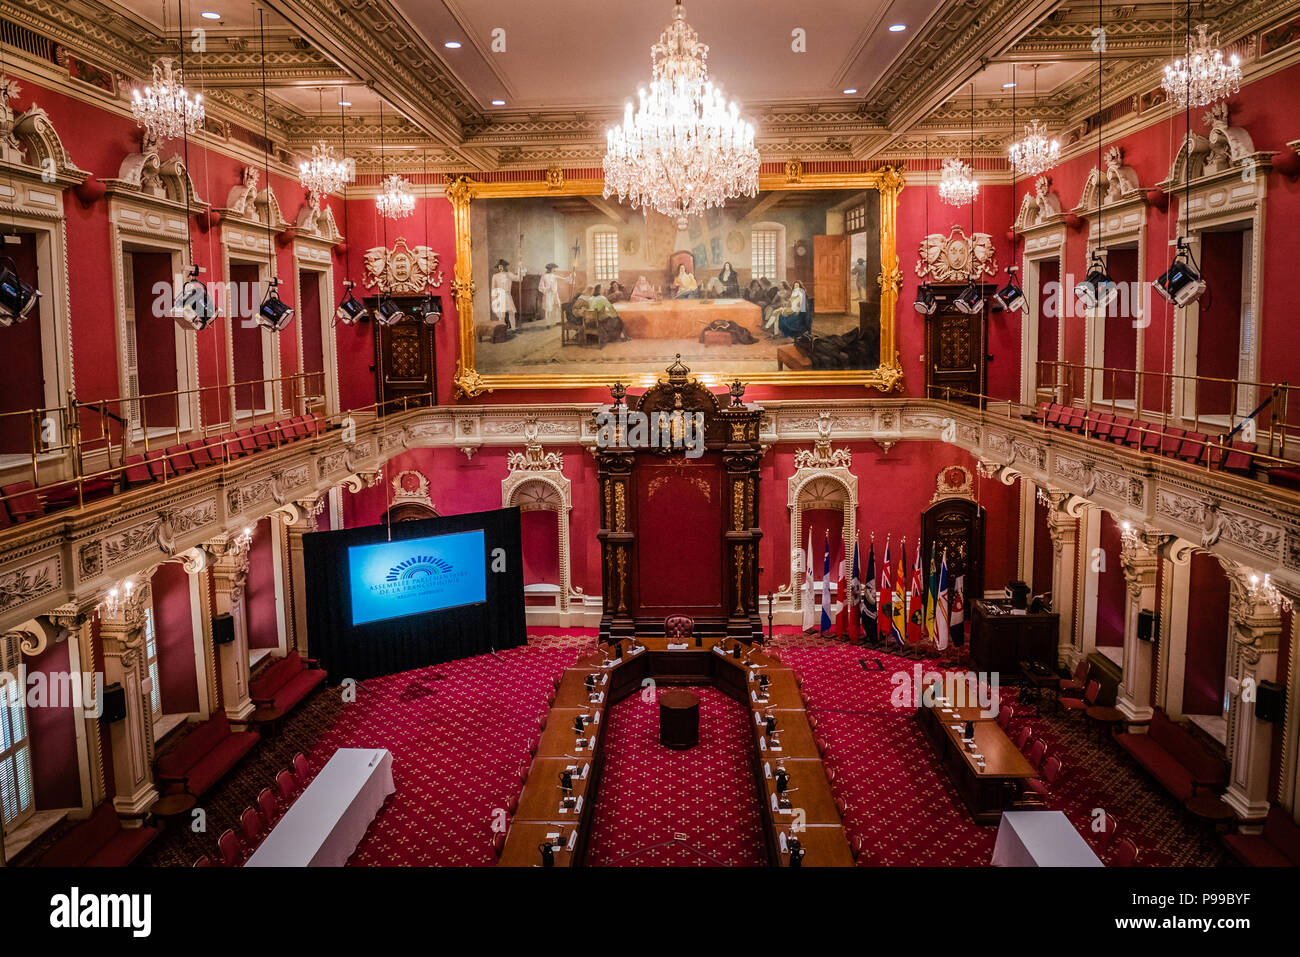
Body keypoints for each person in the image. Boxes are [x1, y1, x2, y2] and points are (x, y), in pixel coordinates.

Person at [490, 259, 525, 329]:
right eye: (499, 266)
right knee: (501, 314)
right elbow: (493, 288)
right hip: (500, 296)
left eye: (502, 266)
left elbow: (519, 279)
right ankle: (502, 329)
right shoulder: (495, 276)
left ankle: (513, 328)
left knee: (511, 312)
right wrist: (494, 299)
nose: (500, 268)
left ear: (505, 266)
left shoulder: (509, 274)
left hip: (507, 295)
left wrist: (519, 268)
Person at [537, 262, 570, 327]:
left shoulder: (554, 275)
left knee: (557, 306)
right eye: (554, 268)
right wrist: (547, 289)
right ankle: (548, 324)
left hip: (554, 294)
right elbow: (540, 286)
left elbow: (564, 279)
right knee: (548, 309)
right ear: (550, 269)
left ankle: (557, 321)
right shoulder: (544, 276)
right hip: (548, 294)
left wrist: (570, 277)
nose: (555, 269)